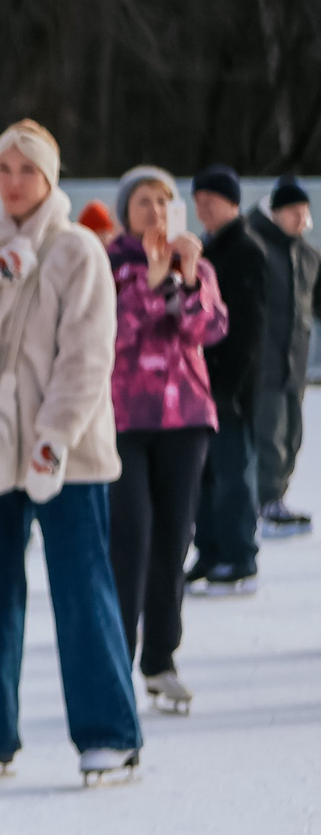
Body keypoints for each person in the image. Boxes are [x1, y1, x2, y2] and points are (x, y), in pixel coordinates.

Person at [0, 120, 141, 784]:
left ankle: (110, 733)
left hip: (67, 457)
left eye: (27, 170)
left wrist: (53, 439)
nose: (14, 182)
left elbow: (86, 358)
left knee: (82, 591)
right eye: (4, 169)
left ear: (50, 177)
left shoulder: (78, 250)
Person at [106, 166, 226, 718]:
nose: (154, 212)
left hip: (186, 419)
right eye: (143, 202)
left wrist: (188, 280)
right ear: (126, 212)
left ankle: (160, 658)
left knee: (174, 540)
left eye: (163, 201)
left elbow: (211, 328)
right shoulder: (110, 264)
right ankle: (117, 658)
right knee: (129, 539)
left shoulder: (195, 265)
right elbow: (114, 332)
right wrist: (154, 283)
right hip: (126, 419)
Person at [188, 166, 270, 595]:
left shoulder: (245, 249)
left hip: (231, 387)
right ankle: (211, 550)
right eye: (198, 199)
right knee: (205, 473)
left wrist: (230, 385)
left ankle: (239, 555)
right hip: (202, 383)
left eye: (211, 200)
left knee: (233, 472)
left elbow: (250, 327)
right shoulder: (206, 246)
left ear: (233, 202)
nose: (203, 207)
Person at [249, 176, 319, 537]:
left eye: (304, 212)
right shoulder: (256, 244)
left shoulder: (307, 255)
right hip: (263, 362)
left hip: (295, 362)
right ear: (276, 212)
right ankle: (265, 501)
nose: (301, 218)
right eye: (293, 211)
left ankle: (277, 496)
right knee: (268, 436)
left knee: (293, 435)